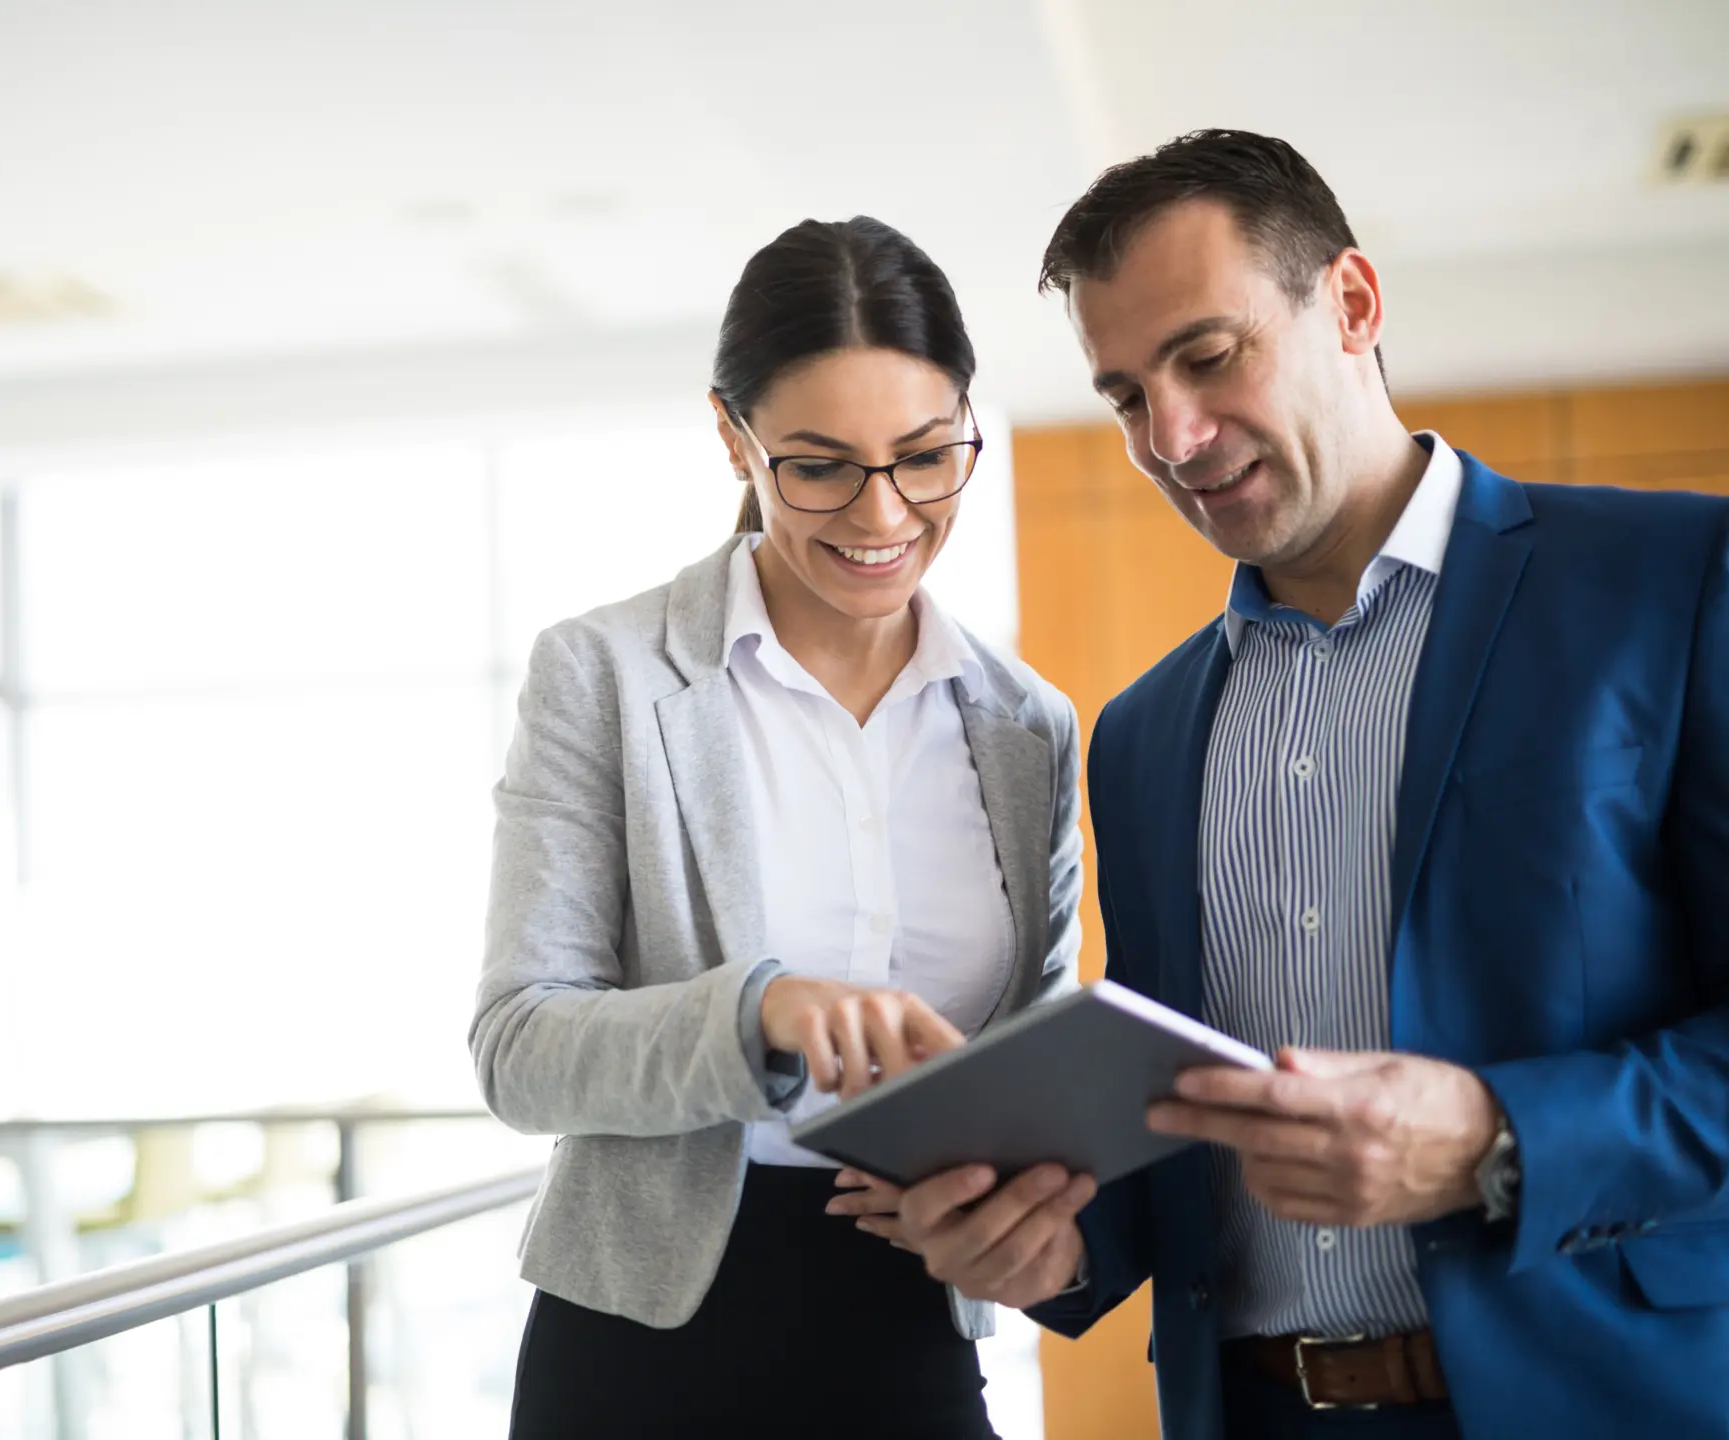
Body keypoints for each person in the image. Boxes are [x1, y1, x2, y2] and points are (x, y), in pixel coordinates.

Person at [893, 130, 1729, 1440]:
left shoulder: (1671, 584)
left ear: (1350, 304)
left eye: (1209, 357)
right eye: (1124, 396)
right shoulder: (1145, 734)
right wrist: (1053, 1249)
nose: (1171, 435)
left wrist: (1496, 1134)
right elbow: (1182, 1116)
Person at [470, 215, 1083, 1438]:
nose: (883, 512)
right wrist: (762, 1010)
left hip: (914, 1319)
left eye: (925, 455)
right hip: (643, 1341)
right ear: (732, 439)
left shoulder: (1029, 728)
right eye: (819, 465)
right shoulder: (606, 675)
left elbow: (1031, 1062)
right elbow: (519, 1049)